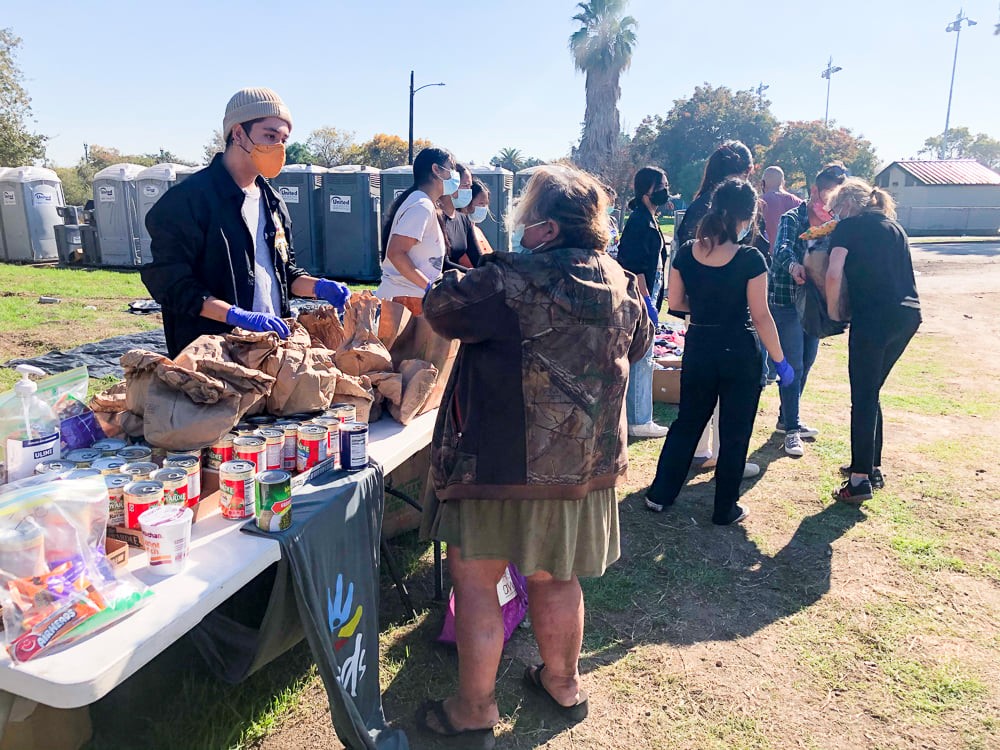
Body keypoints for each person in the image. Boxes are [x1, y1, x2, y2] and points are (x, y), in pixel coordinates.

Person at [415, 165, 652, 743]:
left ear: (544, 227)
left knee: (475, 586)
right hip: (580, 469)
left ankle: (475, 709)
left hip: (499, 467)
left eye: (526, 219)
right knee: (558, 579)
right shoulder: (624, 282)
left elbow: (439, 308)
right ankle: (563, 683)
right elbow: (640, 343)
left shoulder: (506, 281)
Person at [142, 87, 351, 358]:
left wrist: (318, 287)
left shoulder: (273, 203)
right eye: (269, 136)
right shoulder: (187, 201)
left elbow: (283, 273)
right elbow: (172, 285)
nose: (278, 147)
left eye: (284, 139)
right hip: (212, 356)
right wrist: (236, 316)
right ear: (238, 133)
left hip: (269, 349)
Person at [645, 178, 794, 525]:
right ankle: (724, 508)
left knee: (687, 422)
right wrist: (781, 360)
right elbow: (760, 316)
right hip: (739, 349)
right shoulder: (750, 258)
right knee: (735, 430)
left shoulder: (685, 253)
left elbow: (676, 302)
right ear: (748, 216)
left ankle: (660, 494)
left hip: (699, 345)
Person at [826, 177, 921, 503]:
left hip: (874, 318)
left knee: (863, 396)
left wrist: (832, 312)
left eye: (835, 208)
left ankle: (859, 480)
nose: (834, 215)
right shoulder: (894, 227)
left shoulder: (849, 227)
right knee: (871, 390)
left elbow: (834, 271)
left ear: (848, 204)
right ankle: (870, 465)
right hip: (907, 316)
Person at [769, 163, 848, 457]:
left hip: (816, 302)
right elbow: (781, 250)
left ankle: (786, 416)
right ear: (815, 190)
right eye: (828, 194)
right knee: (794, 363)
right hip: (787, 299)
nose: (830, 203)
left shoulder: (838, 223)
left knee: (809, 359)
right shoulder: (794, 217)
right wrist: (794, 266)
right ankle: (792, 429)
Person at [616, 166, 671, 438]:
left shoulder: (650, 218)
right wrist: (647, 301)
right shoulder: (640, 221)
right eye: (662, 185)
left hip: (650, 292)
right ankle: (639, 418)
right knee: (642, 356)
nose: (666, 191)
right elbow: (635, 267)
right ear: (647, 190)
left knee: (644, 355)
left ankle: (637, 414)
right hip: (641, 297)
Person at [374, 147, 457, 315]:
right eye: (451, 168)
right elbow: (396, 253)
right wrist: (429, 286)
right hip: (403, 305)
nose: (455, 174)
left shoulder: (422, 202)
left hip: (409, 302)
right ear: (436, 170)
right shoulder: (422, 205)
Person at [440, 163, 481, 269]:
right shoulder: (435, 218)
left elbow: (478, 259)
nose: (469, 191)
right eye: (466, 186)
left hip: (453, 281)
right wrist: (472, 274)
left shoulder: (464, 220)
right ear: (452, 185)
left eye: (470, 186)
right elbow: (442, 263)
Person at [760, 166, 803, 256]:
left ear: (762, 183)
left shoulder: (759, 203)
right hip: (794, 261)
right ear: (783, 182)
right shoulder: (799, 204)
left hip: (768, 258)